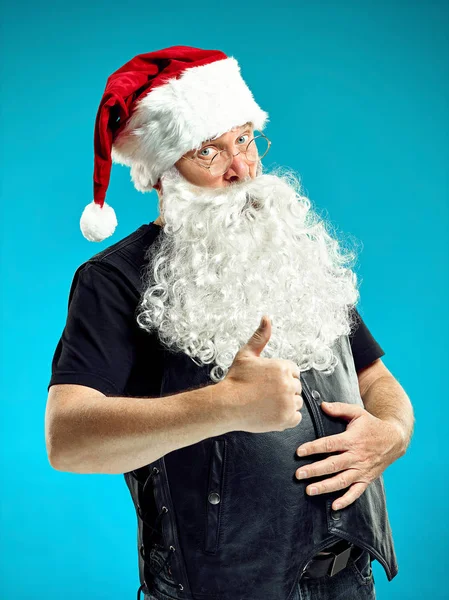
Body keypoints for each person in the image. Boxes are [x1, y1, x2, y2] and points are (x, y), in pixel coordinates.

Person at [45, 46, 414, 600]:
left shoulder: (292, 248)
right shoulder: (114, 280)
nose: (241, 168)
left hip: (350, 582)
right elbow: (67, 438)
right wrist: (223, 407)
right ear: (163, 174)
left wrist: (392, 433)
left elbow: (375, 379)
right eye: (207, 152)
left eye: (243, 139)